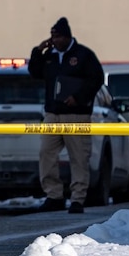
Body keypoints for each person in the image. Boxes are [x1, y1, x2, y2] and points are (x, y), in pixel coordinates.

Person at [28, 17, 104, 214]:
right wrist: (38, 51)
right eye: (53, 37)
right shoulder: (50, 56)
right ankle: (54, 196)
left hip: (76, 114)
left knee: (78, 157)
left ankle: (78, 198)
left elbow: (96, 79)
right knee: (46, 153)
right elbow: (34, 72)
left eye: (59, 37)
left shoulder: (84, 55)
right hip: (53, 113)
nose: (55, 41)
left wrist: (78, 98)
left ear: (67, 36)